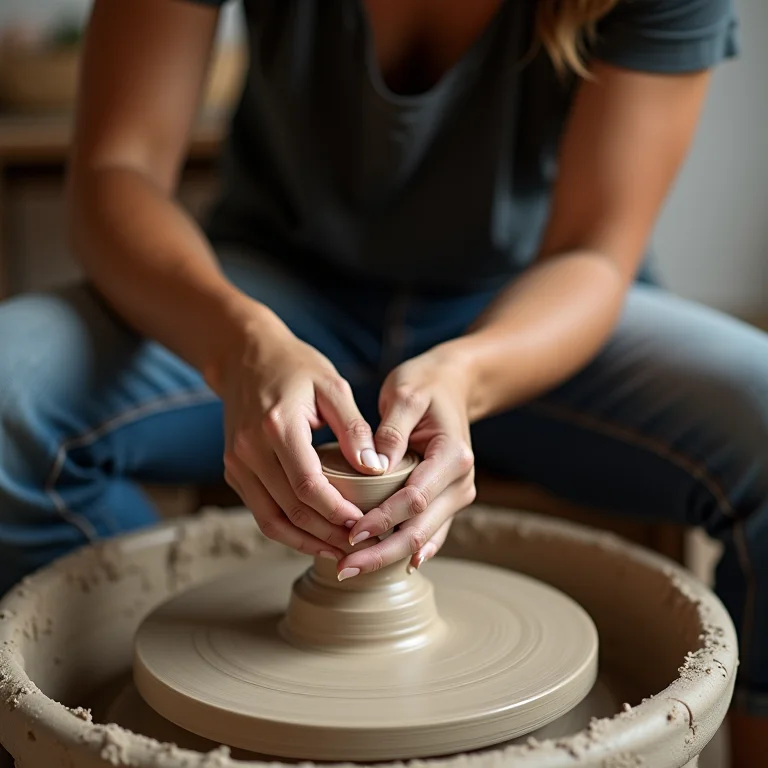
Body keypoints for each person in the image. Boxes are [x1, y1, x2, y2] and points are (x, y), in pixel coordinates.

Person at [0, 0, 765, 762]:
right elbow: (116, 172)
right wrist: (240, 344)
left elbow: (595, 251)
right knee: (9, 399)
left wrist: (470, 371)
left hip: (523, 304)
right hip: (274, 295)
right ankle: (162, 698)